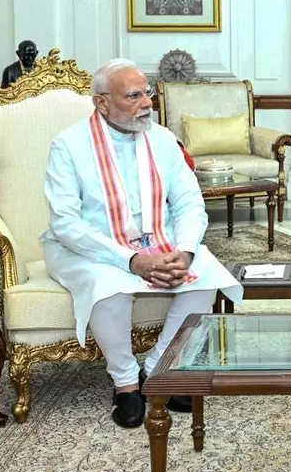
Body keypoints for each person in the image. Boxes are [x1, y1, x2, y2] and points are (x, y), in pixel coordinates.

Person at [40, 58, 242, 429]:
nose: (146, 102)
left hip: (159, 238)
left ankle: (155, 369)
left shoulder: (162, 139)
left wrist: (184, 251)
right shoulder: (68, 146)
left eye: (146, 92)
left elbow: (189, 203)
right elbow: (66, 224)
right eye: (133, 96)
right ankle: (125, 384)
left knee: (206, 275)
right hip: (87, 245)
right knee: (107, 286)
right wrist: (131, 260)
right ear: (102, 103)